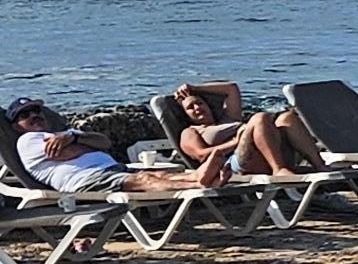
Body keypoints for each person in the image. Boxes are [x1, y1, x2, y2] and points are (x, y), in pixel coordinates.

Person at [163, 82, 327, 180]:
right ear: (186, 115)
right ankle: (278, 169)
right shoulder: (190, 131)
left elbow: (231, 89)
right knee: (260, 118)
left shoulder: (228, 118)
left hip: (265, 149)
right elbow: (201, 155)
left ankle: (319, 165)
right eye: (190, 107)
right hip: (235, 161)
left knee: (287, 118)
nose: (197, 108)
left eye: (199, 103)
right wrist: (234, 142)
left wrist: (193, 87)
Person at [10, 100, 141, 198]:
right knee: (147, 181)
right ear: (17, 127)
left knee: (153, 175)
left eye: (36, 111)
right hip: (89, 181)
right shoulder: (27, 140)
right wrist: (90, 144)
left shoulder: (67, 134)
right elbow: (67, 153)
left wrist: (74, 138)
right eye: (25, 115)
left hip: (115, 170)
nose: (34, 115)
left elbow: (105, 142)